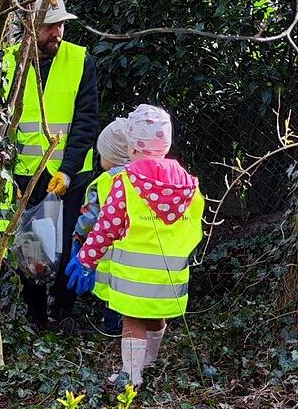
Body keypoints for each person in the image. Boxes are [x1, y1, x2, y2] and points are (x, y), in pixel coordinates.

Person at [68, 105, 204, 387]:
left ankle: (131, 375)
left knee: (133, 323)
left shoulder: (125, 183)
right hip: (172, 274)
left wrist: (86, 259)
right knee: (156, 318)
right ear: (166, 143)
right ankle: (150, 362)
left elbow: (107, 226)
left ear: (131, 147)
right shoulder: (188, 184)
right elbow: (195, 229)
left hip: (134, 277)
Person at [2, 0, 99, 332]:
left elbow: (86, 122)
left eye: (60, 25)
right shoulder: (9, 62)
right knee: (32, 247)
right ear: (30, 28)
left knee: (71, 242)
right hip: (27, 175)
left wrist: (68, 170)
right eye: (48, 27)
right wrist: (7, 174)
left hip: (71, 174)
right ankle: (36, 315)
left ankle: (65, 311)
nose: (56, 33)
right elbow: (0, 124)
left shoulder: (80, 59)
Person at [66, 118, 129, 334]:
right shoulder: (145, 180)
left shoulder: (103, 184)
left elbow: (89, 219)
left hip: (111, 261)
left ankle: (113, 331)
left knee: (113, 300)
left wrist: (78, 241)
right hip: (142, 267)